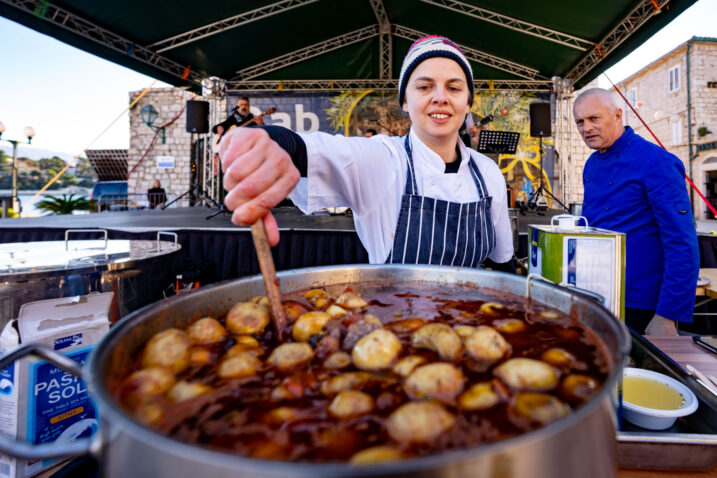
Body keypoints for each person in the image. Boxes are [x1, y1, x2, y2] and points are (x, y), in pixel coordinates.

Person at [220, 35, 514, 270]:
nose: (440, 98)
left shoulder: (487, 173)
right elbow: (306, 149)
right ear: (405, 102)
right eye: (424, 87)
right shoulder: (384, 160)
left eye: (454, 88)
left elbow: (502, 265)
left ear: (468, 103)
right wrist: (266, 144)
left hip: (471, 331)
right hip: (392, 335)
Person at [573, 87, 699, 336]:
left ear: (618, 116)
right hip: (599, 296)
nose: (586, 128)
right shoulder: (592, 162)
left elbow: (683, 243)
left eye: (594, 118)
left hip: (642, 305)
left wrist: (667, 315)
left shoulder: (657, 162)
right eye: (580, 121)